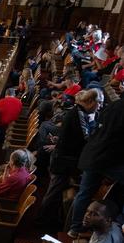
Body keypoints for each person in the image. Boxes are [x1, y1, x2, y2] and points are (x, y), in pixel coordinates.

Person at [37, 89, 98, 232]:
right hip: (63, 161)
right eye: (98, 103)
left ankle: (48, 219)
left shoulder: (76, 111)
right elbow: (86, 139)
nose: (99, 106)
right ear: (90, 102)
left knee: (55, 192)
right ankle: (42, 222)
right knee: (52, 193)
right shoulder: (79, 114)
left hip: (64, 159)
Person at [68, 98, 124, 237]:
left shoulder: (114, 105)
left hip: (94, 155)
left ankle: (75, 228)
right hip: (109, 158)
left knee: (84, 194)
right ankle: (118, 229)